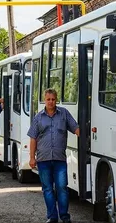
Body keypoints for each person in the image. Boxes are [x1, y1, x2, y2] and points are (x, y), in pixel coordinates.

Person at [27, 88, 80, 223]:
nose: (50, 102)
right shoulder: (38, 117)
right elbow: (33, 138)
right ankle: (52, 217)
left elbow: (76, 128)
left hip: (59, 159)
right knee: (47, 189)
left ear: (56, 100)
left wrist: (86, 133)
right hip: (43, 160)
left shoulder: (64, 114)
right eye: (48, 99)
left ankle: (64, 216)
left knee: (62, 187)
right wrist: (32, 157)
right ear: (45, 100)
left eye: (53, 99)